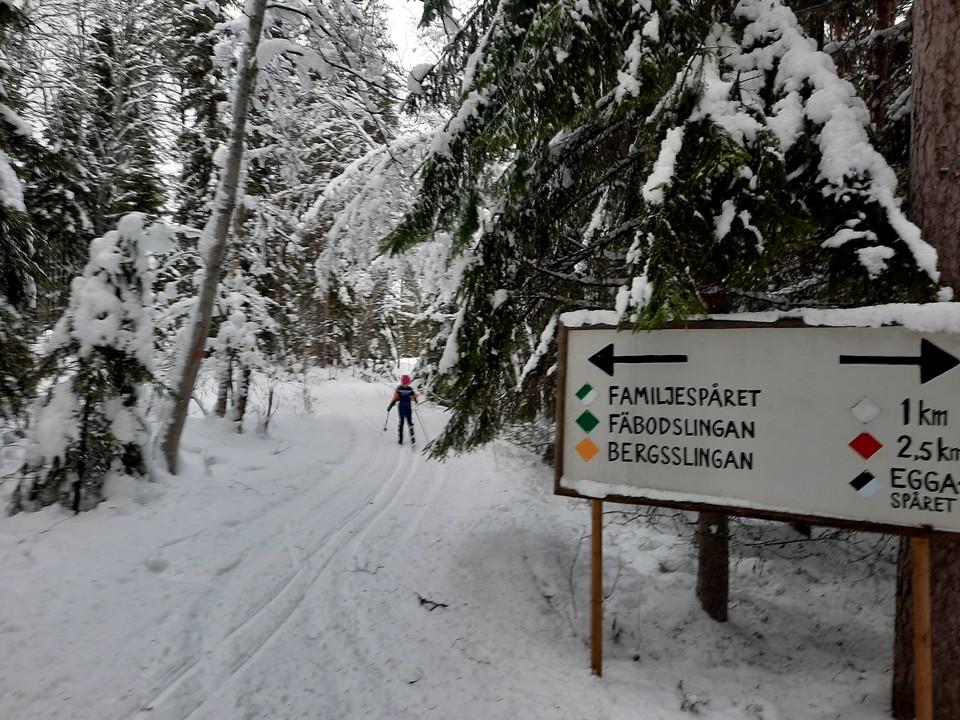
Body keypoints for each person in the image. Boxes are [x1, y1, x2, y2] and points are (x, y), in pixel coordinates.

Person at [388, 375, 418, 445]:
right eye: (405, 384)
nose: (406, 385)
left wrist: (416, 401)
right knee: (402, 423)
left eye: (407, 383)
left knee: (409, 423)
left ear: (408, 383)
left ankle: (412, 438)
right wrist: (390, 406)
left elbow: (414, 396)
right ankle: (400, 439)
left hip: (407, 408)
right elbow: (395, 398)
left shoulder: (405, 389)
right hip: (402, 408)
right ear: (402, 383)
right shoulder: (402, 389)